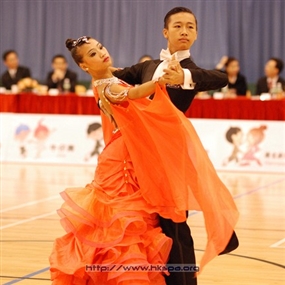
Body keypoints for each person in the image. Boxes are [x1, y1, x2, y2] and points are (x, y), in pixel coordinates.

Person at [49, 36, 239, 285]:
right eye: (93, 55)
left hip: (136, 154)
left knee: (136, 222)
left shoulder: (114, 74)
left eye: (100, 48)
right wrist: (161, 81)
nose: (102, 53)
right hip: (121, 162)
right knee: (123, 223)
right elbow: (135, 92)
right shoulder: (107, 86)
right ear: (84, 66)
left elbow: (123, 76)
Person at [113, 7, 239, 285]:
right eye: (179, 26)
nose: (185, 31)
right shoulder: (147, 67)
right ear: (165, 32)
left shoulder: (191, 72)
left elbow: (220, 78)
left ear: (195, 34)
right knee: (148, 221)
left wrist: (181, 77)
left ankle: (184, 282)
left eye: (190, 27)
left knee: (174, 222)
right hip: (138, 156)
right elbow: (119, 74)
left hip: (169, 158)